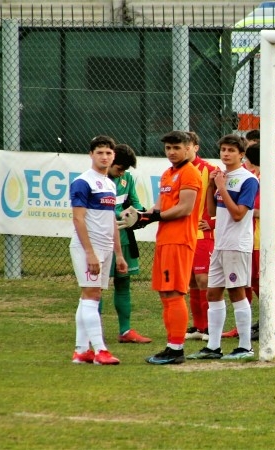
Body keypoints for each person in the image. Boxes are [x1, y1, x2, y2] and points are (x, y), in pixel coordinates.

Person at [123, 131, 203, 365]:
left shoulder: (190, 172)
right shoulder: (168, 173)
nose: (171, 152)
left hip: (179, 241)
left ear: (190, 148)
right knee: (165, 293)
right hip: (166, 239)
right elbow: (159, 207)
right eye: (168, 148)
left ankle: (176, 350)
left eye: (176, 147)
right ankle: (172, 346)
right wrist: (141, 216)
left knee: (175, 293)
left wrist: (154, 217)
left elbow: (185, 209)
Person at [187, 135, 259, 360]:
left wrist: (222, 187)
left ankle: (246, 346)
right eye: (223, 150)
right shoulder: (222, 177)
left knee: (237, 292)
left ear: (241, 154)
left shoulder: (248, 180)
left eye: (231, 150)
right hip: (220, 244)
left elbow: (238, 214)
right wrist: (211, 187)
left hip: (237, 245)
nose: (226, 154)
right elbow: (213, 211)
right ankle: (213, 347)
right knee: (212, 292)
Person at [70, 135, 124, 365]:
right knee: (91, 295)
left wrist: (119, 253)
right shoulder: (83, 182)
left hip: (105, 247)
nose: (104, 157)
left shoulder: (110, 183)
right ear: (91, 154)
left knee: (91, 296)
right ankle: (100, 350)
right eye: (100, 152)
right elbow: (78, 219)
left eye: (108, 153)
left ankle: (82, 351)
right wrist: (90, 251)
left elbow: (111, 220)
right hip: (87, 247)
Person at [237, 142, 275, 342]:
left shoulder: (267, 179)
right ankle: (269, 321)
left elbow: (261, 211)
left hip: (267, 238)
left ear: (249, 161)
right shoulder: (259, 177)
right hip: (256, 238)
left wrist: (238, 208)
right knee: (258, 283)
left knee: (270, 282)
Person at [108, 143, 151, 344]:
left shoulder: (127, 178)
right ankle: (92, 332)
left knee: (123, 282)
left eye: (125, 169)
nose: (122, 173)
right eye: (119, 168)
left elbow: (135, 202)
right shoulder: (95, 180)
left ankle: (125, 331)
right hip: (101, 238)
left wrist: (143, 214)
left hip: (123, 238)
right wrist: (119, 213)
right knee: (94, 288)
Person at [185, 131, 216, 342]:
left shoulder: (211, 171)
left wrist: (213, 222)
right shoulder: (174, 172)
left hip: (203, 234)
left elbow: (223, 203)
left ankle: (208, 327)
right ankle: (198, 326)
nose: (183, 149)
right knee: (191, 282)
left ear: (196, 147)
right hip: (184, 235)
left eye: (187, 145)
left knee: (204, 279)